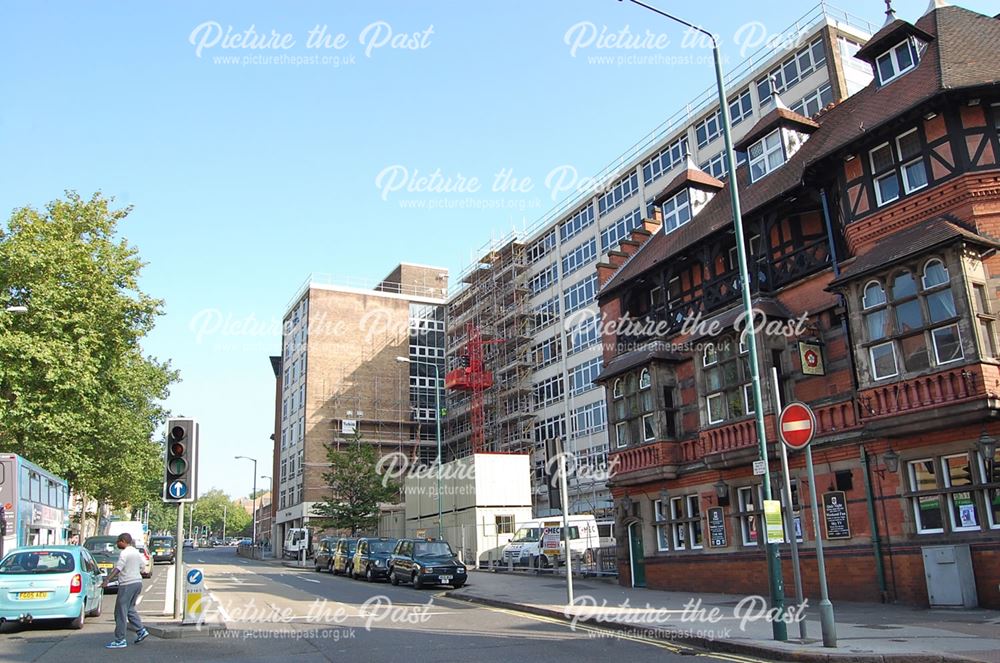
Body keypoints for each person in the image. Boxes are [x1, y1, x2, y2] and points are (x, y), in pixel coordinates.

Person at [101, 533, 149, 649]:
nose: (117, 544)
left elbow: (118, 568)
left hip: (127, 584)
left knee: (120, 612)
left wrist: (107, 579)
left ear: (123, 541)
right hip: (138, 583)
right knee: (130, 608)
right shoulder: (136, 552)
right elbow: (143, 567)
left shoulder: (125, 553)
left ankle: (120, 640)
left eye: (118, 541)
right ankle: (141, 630)